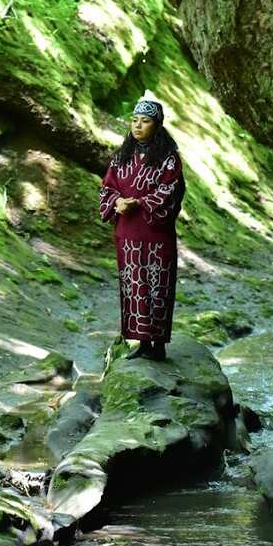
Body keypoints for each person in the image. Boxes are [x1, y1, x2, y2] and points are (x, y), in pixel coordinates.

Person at [98, 99, 186, 361]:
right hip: (128, 234)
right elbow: (107, 187)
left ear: (157, 126)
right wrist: (116, 202)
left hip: (156, 235)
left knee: (157, 286)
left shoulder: (169, 160)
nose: (138, 126)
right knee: (133, 285)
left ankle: (158, 346)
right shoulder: (121, 156)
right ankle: (141, 342)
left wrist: (141, 203)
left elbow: (171, 191)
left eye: (145, 121)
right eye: (134, 120)